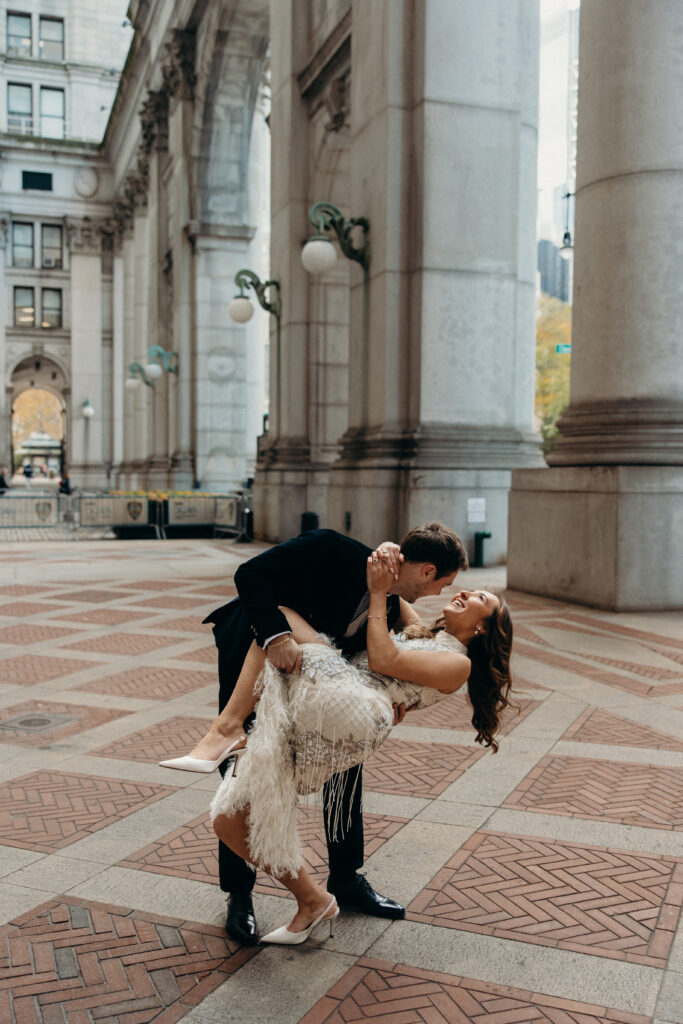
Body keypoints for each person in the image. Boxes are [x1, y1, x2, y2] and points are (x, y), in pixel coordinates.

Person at [163, 553, 513, 946]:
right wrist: (387, 569)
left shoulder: (454, 660)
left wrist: (380, 593)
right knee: (228, 817)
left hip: (346, 701)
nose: (455, 591)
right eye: (445, 584)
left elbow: (387, 656)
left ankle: (344, 879)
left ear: (483, 628)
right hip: (270, 654)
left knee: (280, 627)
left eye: (474, 594)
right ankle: (298, 899)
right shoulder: (350, 565)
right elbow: (404, 610)